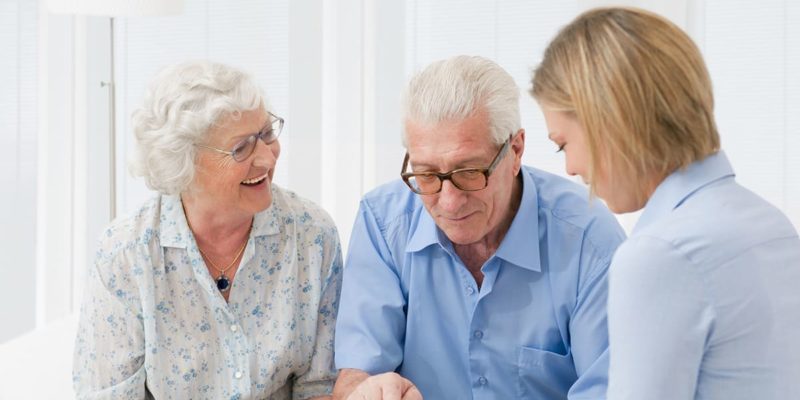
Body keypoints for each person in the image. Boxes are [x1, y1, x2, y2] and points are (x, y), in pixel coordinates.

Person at [531, 7, 800, 399]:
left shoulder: (659, 255)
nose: (571, 169)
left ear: (609, 120)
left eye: (563, 144)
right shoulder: (770, 224)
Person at [333, 55, 626, 400]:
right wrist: (368, 391)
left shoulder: (587, 238)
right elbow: (355, 376)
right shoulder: (383, 223)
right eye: (426, 174)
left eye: (469, 172)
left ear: (515, 151)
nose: (449, 202)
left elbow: (611, 390)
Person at [73, 61, 343, 399]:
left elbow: (319, 385)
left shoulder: (311, 235)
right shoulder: (126, 254)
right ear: (183, 165)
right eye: (241, 148)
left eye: (267, 134)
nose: (268, 158)